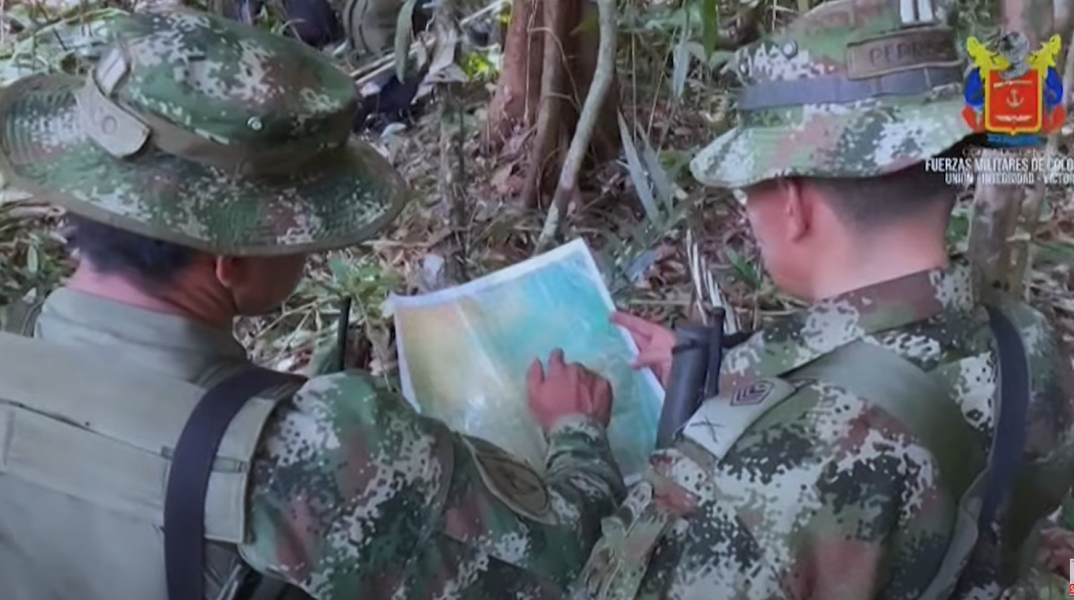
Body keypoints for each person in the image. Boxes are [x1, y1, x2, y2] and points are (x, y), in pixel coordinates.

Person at [0, 9, 625, 600]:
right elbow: (568, 561)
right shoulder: (326, 445)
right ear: (231, 259)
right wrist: (576, 431)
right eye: (297, 231)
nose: (310, 249)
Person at [570, 0, 1074, 598]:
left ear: (793, 203)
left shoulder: (750, 479)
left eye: (747, 192)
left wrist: (576, 438)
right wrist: (731, 369)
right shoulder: (1027, 340)